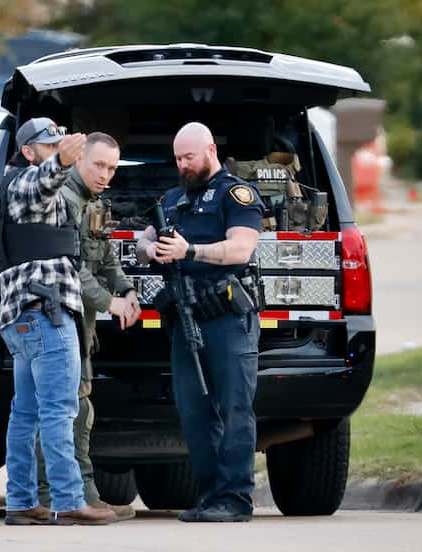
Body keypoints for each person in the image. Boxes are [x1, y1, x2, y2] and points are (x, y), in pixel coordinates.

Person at [137, 122, 264, 522]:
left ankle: (235, 499)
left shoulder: (236, 194)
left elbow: (242, 247)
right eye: (177, 158)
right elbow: (143, 239)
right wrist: (151, 249)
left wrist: (189, 250)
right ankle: (211, 498)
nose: (182, 164)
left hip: (227, 317)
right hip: (187, 318)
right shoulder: (173, 199)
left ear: (210, 150)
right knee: (194, 412)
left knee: (234, 409)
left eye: (188, 157)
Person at [0, 117, 118, 526]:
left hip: (26, 317)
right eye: (46, 146)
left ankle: (21, 502)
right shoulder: (22, 182)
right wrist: (62, 161)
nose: (55, 150)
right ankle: (68, 501)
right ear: (28, 151)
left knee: (26, 413)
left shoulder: (15, 186)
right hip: (45, 313)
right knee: (59, 411)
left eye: (57, 146)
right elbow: (43, 184)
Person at [36, 132, 141, 521]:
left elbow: (106, 256)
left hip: (82, 326)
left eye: (112, 168)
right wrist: (109, 301)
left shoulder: (93, 202)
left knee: (78, 409)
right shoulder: (62, 200)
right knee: (65, 411)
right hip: (57, 320)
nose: (106, 174)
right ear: (79, 159)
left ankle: (80, 493)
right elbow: (71, 267)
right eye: (99, 165)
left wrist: (126, 289)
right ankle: (56, 496)